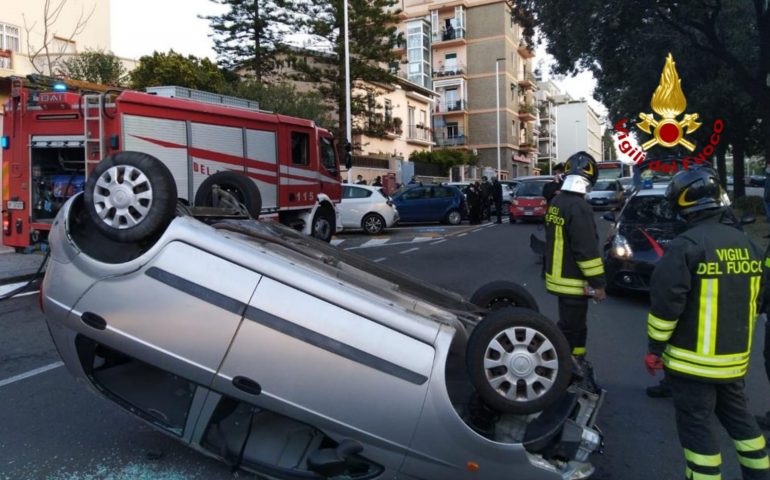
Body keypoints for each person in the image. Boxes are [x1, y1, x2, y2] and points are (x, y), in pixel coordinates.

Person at [645, 167, 769, 480]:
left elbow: (665, 306)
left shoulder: (686, 246)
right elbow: (759, 299)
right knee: (743, 426)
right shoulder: (749, 245)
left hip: (692, 367)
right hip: (734, 364)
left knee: (698, 434)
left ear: (684, 204)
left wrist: (654, 349)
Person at [544, 152, 606, 371]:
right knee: (575, 328)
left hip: (557, 278)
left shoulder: (556, 202)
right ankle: (571, 367)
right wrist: (597, 283)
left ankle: (570, 362)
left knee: (568, 325)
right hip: (573, 281)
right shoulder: (579, 208)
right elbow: (586, 250)